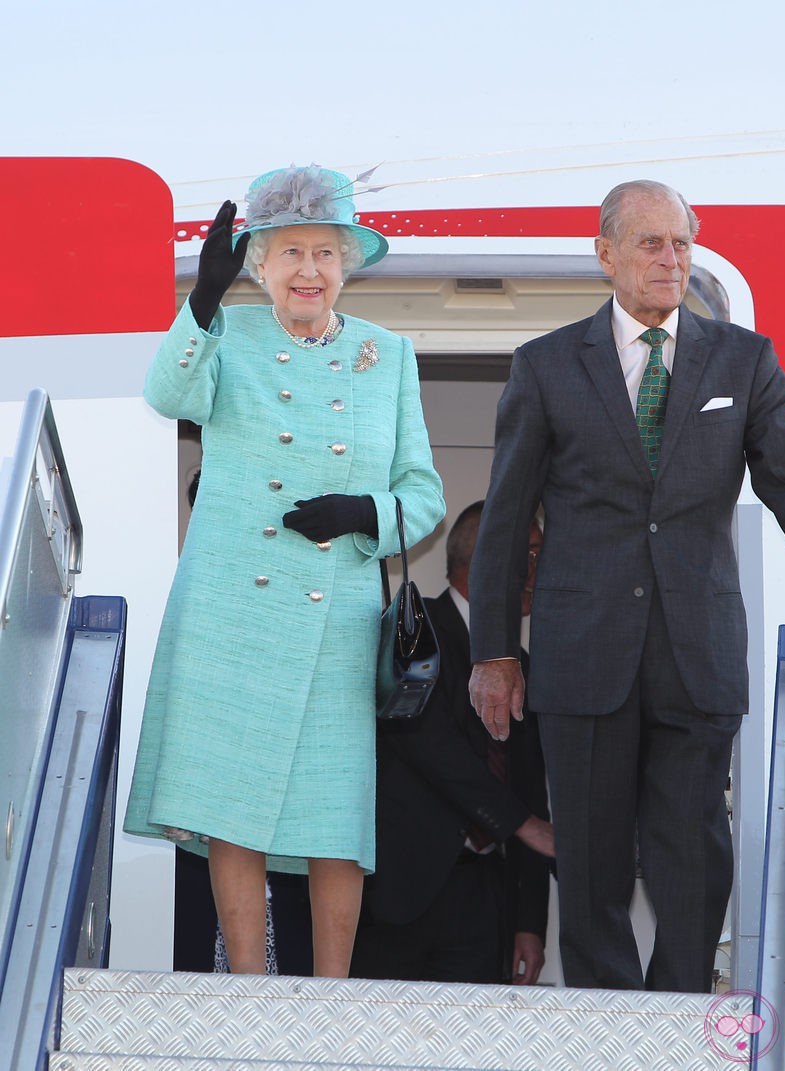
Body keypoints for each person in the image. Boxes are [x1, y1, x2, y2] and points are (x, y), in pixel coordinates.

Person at [467, 179, 785, 994]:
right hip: (581, 653)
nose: (672, 259)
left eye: (681, 243)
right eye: (651, 243)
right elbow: (506, 520)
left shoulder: (746, 359)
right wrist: (495, 650)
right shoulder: (547, 365)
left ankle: (677, 1016)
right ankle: (606, 1026)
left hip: (698, 649)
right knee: (590, 858)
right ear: (607, 255)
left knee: (694, 852)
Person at [124, 164, 445, 978]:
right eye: (290, 251)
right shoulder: (228, 337)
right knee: (233, 804)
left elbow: (424, 496)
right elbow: (167, 394)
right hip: (233, 606)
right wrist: (201, 300)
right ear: (259, 264)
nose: (309, 269)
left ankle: (329, 997)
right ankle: (248, 984)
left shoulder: (389, 354)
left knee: (333, 813)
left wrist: (361, 514)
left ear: (347, 264)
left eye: (325, 252)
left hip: (335, 612)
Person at [351, 503, 554, 985]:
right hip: (401, 894)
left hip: (486, 900)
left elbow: (529, 788)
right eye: (531, 553)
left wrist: (530, 922)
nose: (539, 569)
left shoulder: (523, 665)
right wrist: (520, 824)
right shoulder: (412, 635)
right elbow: (429, 745)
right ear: (486, 558)